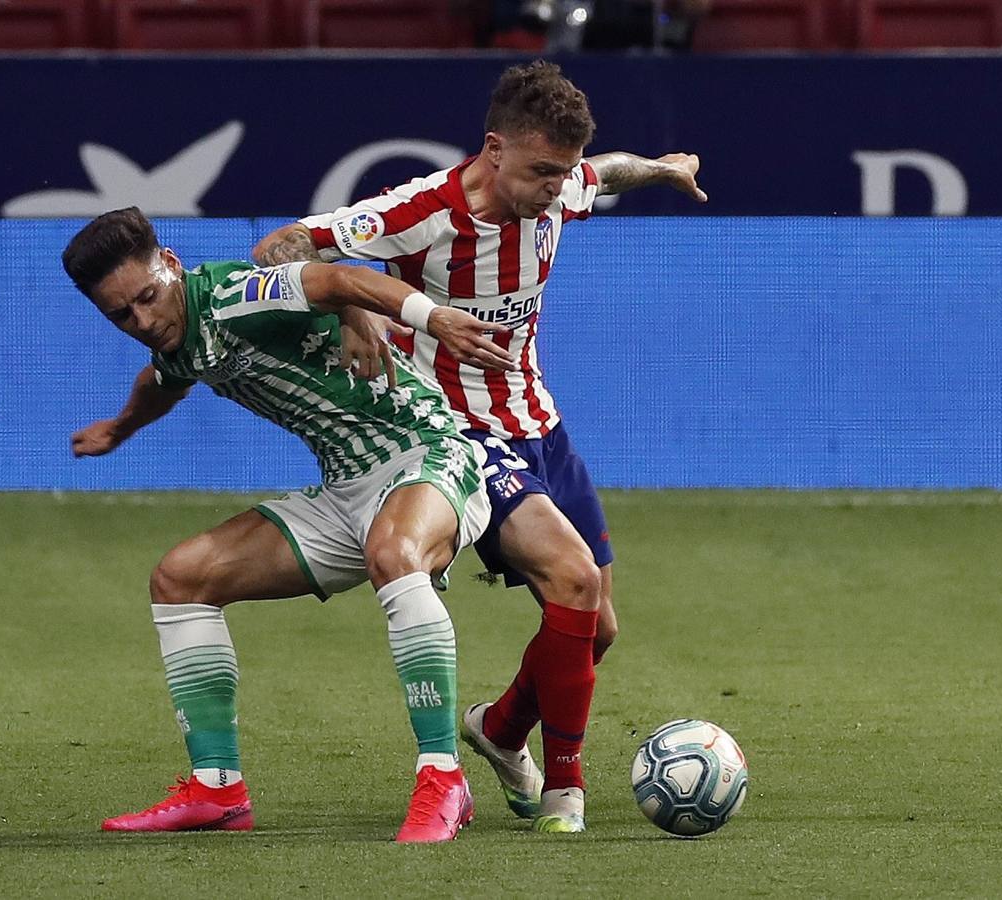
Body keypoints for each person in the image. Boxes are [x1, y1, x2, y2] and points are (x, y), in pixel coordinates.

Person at [253, 60, 707, 833]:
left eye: (562, 173)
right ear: (493, 149)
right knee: (570, 577)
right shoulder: (421, 210)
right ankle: (566, 793)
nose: (552, 188)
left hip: (539, 424)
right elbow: (281, 247)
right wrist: (351, 310)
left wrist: (664, 170)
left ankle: (499, 731)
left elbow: (611, 172)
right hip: (454, 435)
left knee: (597, 627)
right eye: (539, 171)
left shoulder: (563, 184)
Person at [63, 207, 518, 843]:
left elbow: (333, 281)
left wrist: (431, 317)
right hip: (346, 489)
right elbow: (164, 381)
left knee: (394, 553)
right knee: (180, 578)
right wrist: (121, 426)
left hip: (427, 453)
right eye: (120, 316)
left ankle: (443, 778)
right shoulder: (181, 336)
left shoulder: (229, 296)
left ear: (169, 264)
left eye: (146, 298)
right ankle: (217, 790)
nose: (142, 321)